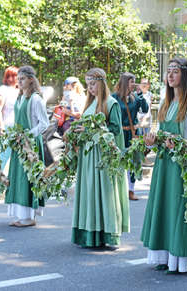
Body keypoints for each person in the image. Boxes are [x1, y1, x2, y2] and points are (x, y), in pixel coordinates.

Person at [141, 57, 187, 274]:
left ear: (184, 76)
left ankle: (180, 259)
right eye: (168, 71)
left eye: (175, 71)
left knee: (178, 209)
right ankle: (164, 256)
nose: (170, 75)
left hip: (181, 168)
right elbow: (160, 135)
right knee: (164, 207)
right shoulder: (165, 104)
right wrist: (153, 141)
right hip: (163, 165)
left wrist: (178, 145)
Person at [71, 68, 129, 248]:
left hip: (103, 158)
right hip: (89, 156)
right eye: (88, 85)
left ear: (102, 83)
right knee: (90, 193)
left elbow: (116, 130)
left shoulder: (111, 104)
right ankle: (89, 233)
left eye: (93, 84)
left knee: (103, 194)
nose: (90, 88)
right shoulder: (90, 104)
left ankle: (105, 234)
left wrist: (91, 131)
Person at [5, 66, 49, 227]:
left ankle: (28, 218)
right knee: (18, 178)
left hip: (30, 144)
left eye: (22, 78)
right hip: (19, 143)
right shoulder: (20, 97)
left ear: (31, 79)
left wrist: (28, 135)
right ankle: (19, 215)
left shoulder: (36, 99)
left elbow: (44, 123)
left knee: (27, 179)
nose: (19, 81)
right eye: (18, 79)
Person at [112, 72, 149, 201]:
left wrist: (140, 94)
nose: (133, 84)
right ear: (124, 82)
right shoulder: (114, 97)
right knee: (119, 161)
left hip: (133, 134)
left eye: (134, 81)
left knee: (133, 163)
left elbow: (144, 109)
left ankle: (131, 190)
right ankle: (118, 190)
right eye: (131, 82)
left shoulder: (135, 97)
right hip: (120, 134)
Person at [0, 66, 19, 172]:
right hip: (6, 127)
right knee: (3, 155)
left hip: (18, 127)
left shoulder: (20, 90)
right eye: (9, 76)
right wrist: (1, 127)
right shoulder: (3, 89)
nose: (12, 79)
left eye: (14, 76)